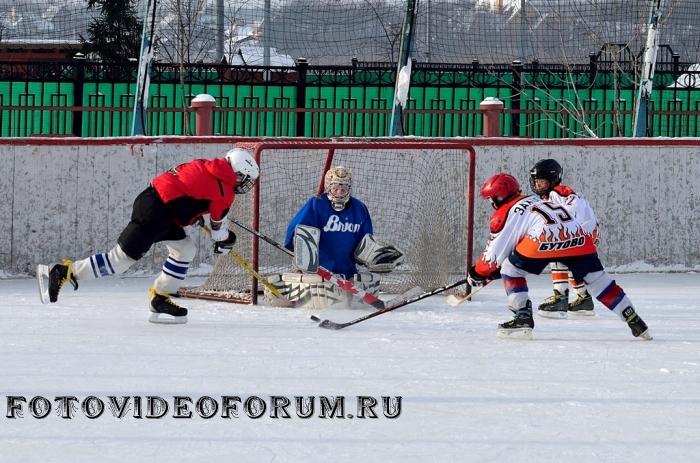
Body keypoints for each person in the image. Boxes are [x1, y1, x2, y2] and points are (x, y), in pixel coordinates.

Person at [36, 148, 260, 324]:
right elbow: (218, 231)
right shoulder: (225, 189)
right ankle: (62, 272)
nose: (245, 184)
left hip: (157, 204)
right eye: (246, 179)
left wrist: (194, 214)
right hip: (156, 213)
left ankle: (160, 297)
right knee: (119, 261)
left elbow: (188, 191)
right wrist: (227, 240)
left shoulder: (208, 165)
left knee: (185, 249)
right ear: (238, 173)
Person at [467, 172, 652, 340]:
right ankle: (633, 318)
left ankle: (522, 317)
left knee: (510, 268)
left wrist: (477, 273)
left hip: (543, 240)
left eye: (491, 198)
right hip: (578, 237)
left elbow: (492, 256)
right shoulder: (534, 200)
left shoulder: (505, 212)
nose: (490, 202)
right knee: (597, 280)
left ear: (499, 196)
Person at [265, 166, 403, 309]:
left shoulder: (359, 208)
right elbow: (298, 232)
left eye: (344, 188)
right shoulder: (316, 204)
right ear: (328, 186)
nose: (339, 192)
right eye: (335, 187)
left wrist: (376, 257)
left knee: (352, 298)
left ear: (349, 187)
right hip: (319, 272)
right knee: (287, 291)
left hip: (348, 273)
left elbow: (366, 240)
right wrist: (302, 258)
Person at [529, 159, 598, 318]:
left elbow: (572, 212)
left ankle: (560, 298)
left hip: (583, 233)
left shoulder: (559, 192)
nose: (538, 185)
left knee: (557, 252)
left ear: (552, 180)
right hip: (585, 233)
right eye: (536, 182)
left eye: (542, 182)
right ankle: (584, 300)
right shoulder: (549, 197)